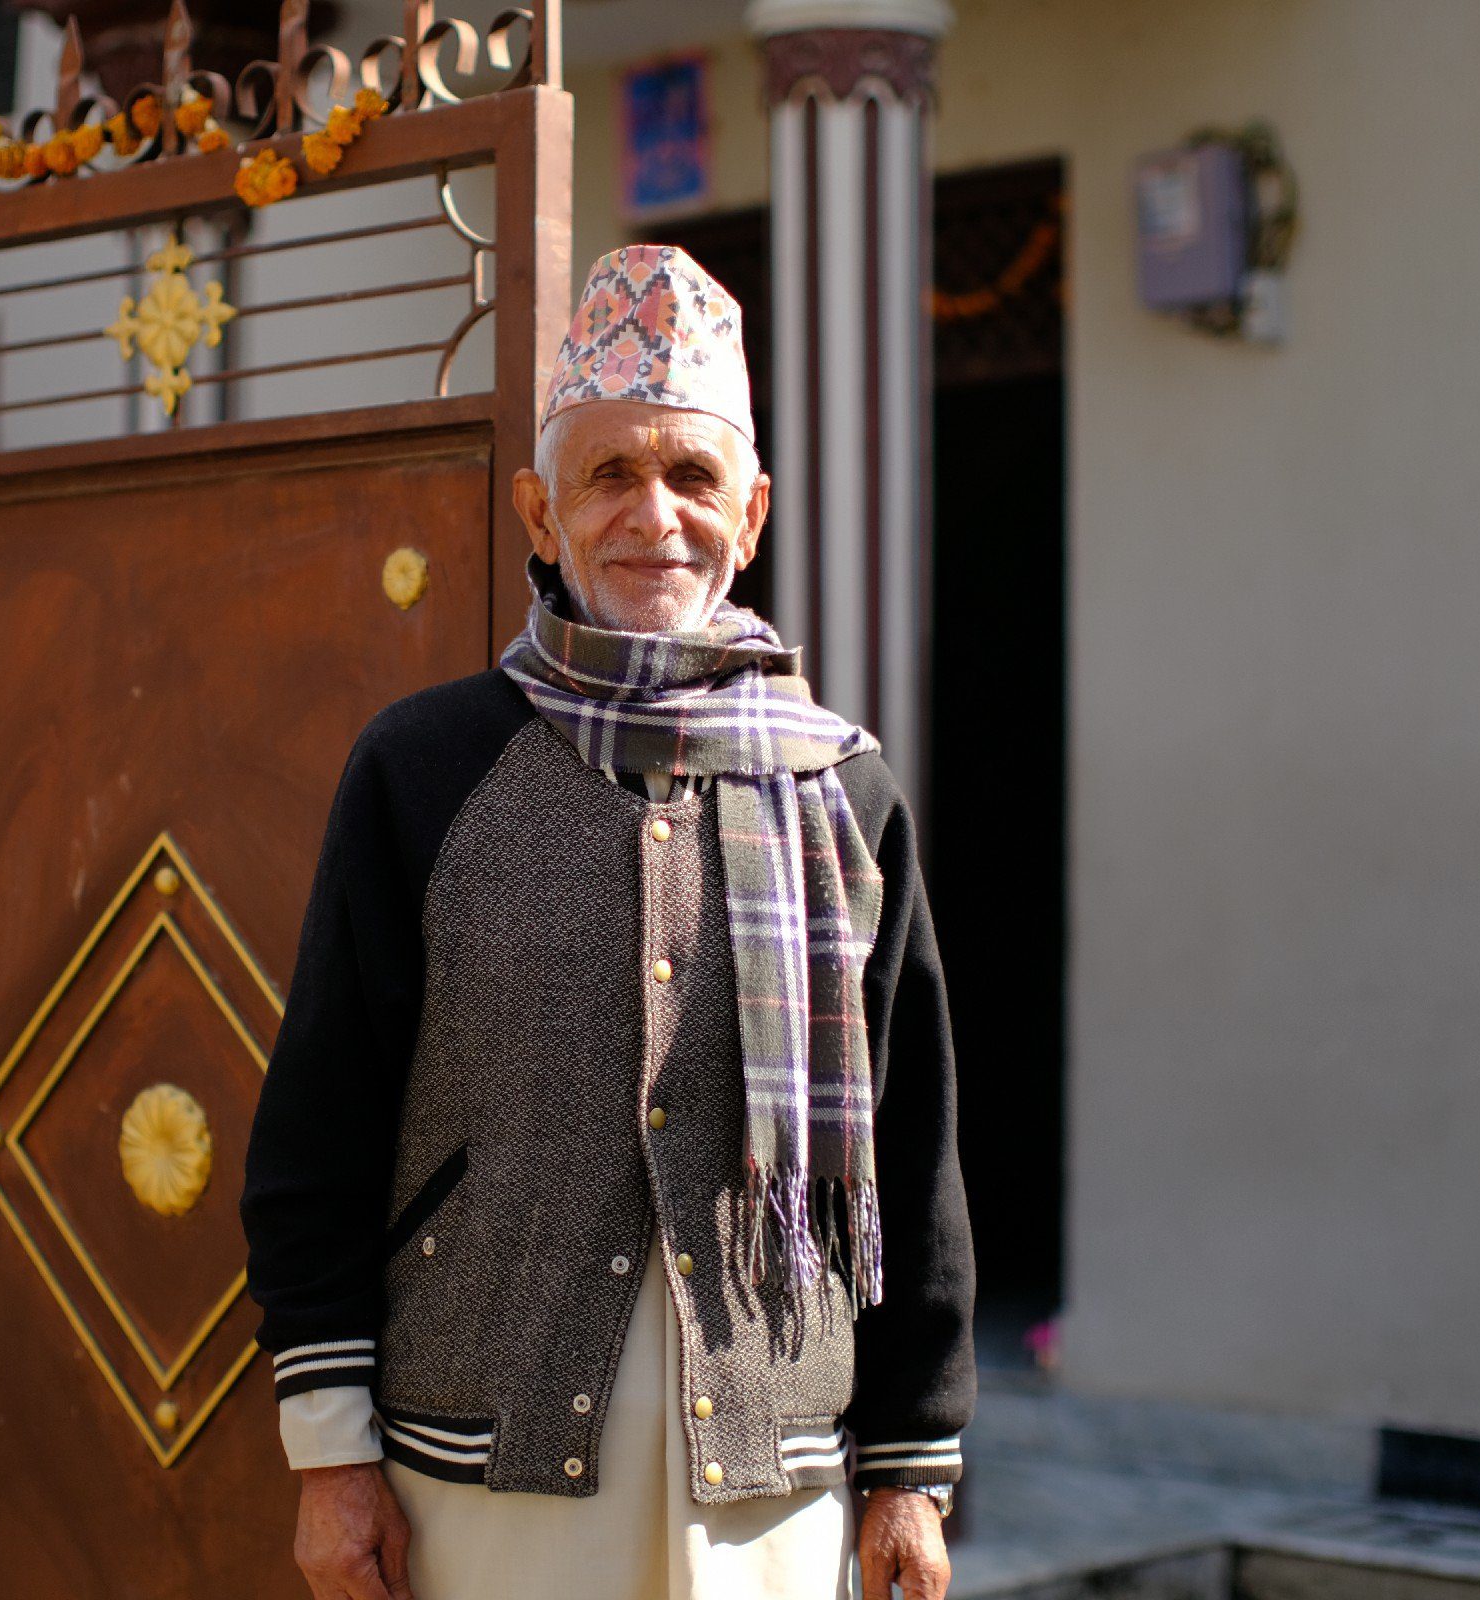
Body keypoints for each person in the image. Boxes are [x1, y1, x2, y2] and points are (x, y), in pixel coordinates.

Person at [240, 244, 974, 1600]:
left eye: (694, 476)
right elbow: (319, 1129)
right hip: (479, 1475)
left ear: (751, 515)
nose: (656, 515)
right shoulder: (425, 769)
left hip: (775, 1487)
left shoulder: (844, 792)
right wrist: (332, 1460)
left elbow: (911, 1143)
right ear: (540, 513)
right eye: (610, 474)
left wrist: (912, 1469)